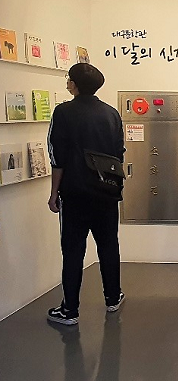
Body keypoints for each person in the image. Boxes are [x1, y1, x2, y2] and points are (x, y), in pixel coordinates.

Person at [47, 63, 125, 325]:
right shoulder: (111, 114)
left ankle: (70, 310)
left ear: (75, 84)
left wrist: (54, 193)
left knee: (72, 251)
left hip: (75, 193)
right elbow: (118, 154)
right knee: (109, 245)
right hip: (106, 192)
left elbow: (57, 157)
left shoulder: (63, 112)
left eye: (69, 79)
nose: (67, 82)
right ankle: (113, 298)